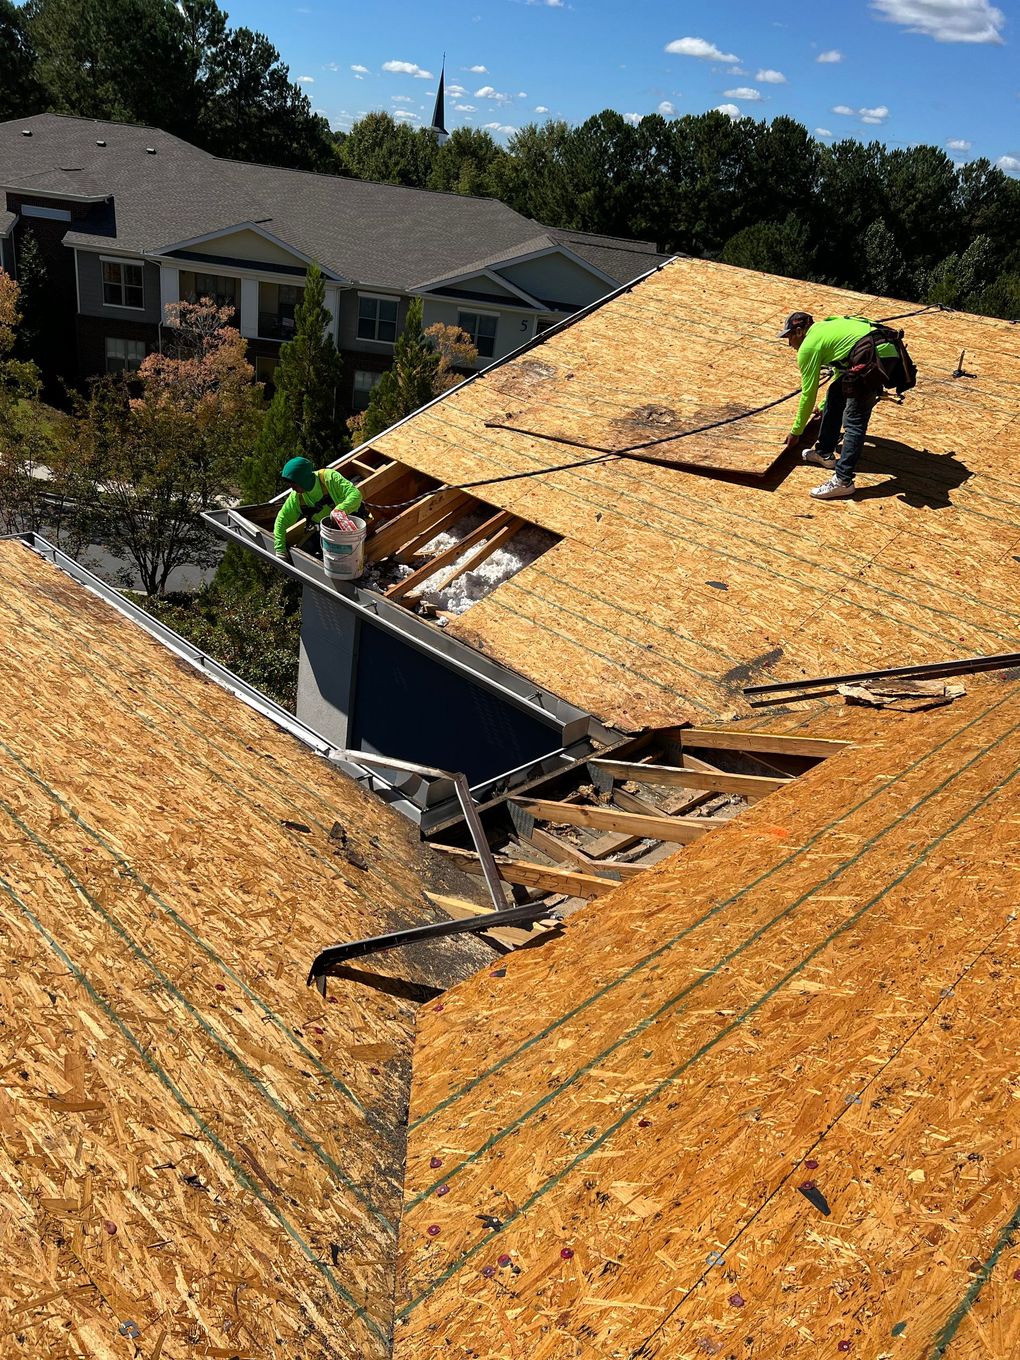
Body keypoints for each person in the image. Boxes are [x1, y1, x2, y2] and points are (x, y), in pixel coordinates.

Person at [780, 311, 902, 501]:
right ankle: (824, 453)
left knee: (854, 420)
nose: (789, 344)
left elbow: (808, 393)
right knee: (836, 394)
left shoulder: (808, 348)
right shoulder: (825, 328)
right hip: (885, 349)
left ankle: (843, 481)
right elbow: (841, 371)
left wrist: (797, 432)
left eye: (789, 337)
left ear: (798, 332)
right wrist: (823, 405)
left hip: (872, 357)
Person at [273, 456, 363, 559]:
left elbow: (355, 495)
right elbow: (282, 520)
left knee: (343, 557)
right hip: (324, 531)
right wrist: (280, 548)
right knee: (300, 553)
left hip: (350, 526)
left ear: (303, 480)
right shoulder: (297, 497)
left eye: (294, 484)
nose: (292, 489)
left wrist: (340, 510)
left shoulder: (328, 478)